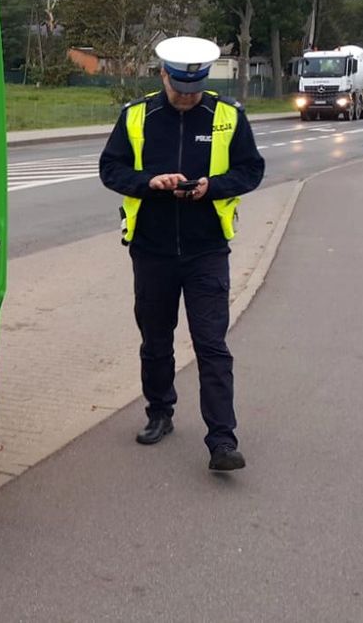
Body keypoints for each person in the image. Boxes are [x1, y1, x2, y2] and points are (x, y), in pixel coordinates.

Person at [98, 36, 265, 472]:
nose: (187, 97)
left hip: (206, 249)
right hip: (151, 250)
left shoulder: (227, 115)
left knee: (211, 344)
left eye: (195, 90)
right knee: (155, 340)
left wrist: (213, 187)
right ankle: (160, 412)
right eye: (179, 88)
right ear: (163, 75)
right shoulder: (137, 116)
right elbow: (110, 168)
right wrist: (148, 183)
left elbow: (252, 169)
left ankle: (222, 440)